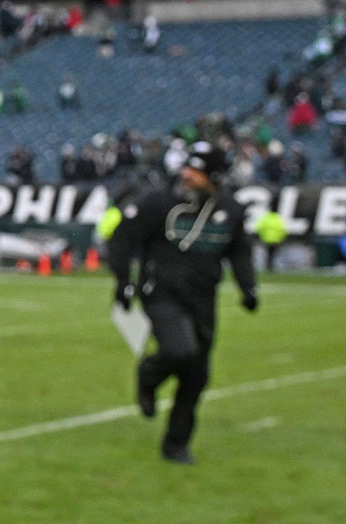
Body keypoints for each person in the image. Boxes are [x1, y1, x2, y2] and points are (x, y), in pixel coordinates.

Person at [105, 141, 257, 465]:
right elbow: (122, 237)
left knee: (196, 376)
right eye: (187, 168)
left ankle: (176, 444)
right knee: (179, 350)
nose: (187, 175)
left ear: (214, 177)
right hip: (162, 292)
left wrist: (248, 288)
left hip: (203, 298)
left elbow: (239, 251)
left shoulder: (229, 210)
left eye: (196, 171)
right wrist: (123, 280)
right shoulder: (158, 202)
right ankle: (149, 374)